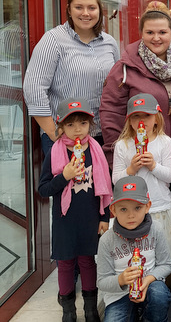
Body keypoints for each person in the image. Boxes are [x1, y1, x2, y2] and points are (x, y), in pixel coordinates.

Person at [38, 98, 112, 322]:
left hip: (90, 218)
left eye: (82, 123)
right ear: (60, 127)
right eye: (70, 125)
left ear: (91, 124)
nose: (77, 129)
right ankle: (68, 311)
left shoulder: (96, 150)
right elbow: (43, 189)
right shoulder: (55, 153)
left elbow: (105, 188)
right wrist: (65, 176)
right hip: (65, 220)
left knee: (88, 261)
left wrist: (105, 217)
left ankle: (90, 310)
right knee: (65, 263)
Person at [100, 0, 171, 165]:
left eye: (162, 32)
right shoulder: (125, 68)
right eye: (150, 32)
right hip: (142, 159)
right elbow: (111, 114)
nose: (156, 38)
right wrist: (116, 158)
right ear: (141, 34)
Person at [23, 0, 119, 156]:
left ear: (99, 11)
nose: (85, 13)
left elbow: (117, 85)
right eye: (79, 7)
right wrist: (53, 133)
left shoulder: (109, 42)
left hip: (102, 135)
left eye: (91, 8)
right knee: (65, 182)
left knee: (100, 182)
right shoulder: (53, 40)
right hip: (65, 137)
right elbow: (34, 88)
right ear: (68, 9)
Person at [97, 176, 171, 322]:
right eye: (123, 209)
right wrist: (121, 279)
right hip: (118, 296)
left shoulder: (156, 229)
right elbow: (101, 281)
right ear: (113, 209)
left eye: (137, 207)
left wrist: (148, 280)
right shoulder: (107, 240)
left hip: (150, 288)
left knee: (159, 295)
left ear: (147, 206)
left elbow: (167, 264)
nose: (131, 215)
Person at [112, 93, 171, 258]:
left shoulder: (165, 142)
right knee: (138, 255)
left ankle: (159, 283)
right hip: (133, 210)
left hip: (159, 206)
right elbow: (116, 181)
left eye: (147, 116)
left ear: (156, 118)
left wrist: (153, 166)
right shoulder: (122, 145)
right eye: (136, 116)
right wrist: (131, 169)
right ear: (129, 120)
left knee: (161, 254)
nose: (141, 121)